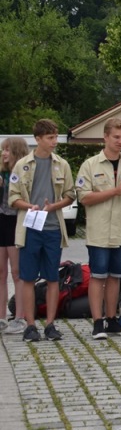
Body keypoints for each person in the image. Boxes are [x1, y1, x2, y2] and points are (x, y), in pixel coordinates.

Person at [8, 121, 76, 342]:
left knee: (52, 277)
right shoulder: (22, 165)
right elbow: (12, 197)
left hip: (53, 228)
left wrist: (54, 206)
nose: (54, 141)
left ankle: (50, 325)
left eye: (55, 137)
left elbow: (70, 194)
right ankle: (30, 326)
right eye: (50, 138)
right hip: (30, 228)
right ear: (38, 139)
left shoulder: (62, 164)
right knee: (27, 277)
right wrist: (30, 206)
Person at [77, 118, 121, 340]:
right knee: (98, 276)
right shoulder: (90, 165)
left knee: (116, 276)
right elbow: (84, 197)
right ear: (105, 137)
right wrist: (113, 191)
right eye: (116, 137)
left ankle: (112, 319)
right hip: (99, 231)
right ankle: (98, 322)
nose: (120, 141)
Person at [1, 136, 30, 335]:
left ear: (17, 152)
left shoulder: (22, 173)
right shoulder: (1, 173)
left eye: (7, 150)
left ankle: (20, 317)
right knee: (1, 272)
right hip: (1, 220)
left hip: (16, 222)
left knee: (17, 272)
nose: (4, 153)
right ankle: (1, 317)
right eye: (3, 149)